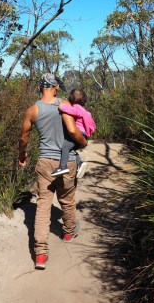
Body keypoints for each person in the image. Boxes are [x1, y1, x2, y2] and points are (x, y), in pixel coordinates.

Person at [19, 73, 88, 270]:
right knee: (67, 198)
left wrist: (22, 154)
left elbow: (23, 137)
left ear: (40, 87)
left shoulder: (33, 110)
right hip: (67, 161)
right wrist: (83, 142)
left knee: (42, 206)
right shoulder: (64, 104)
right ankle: (68, 232)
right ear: (56, 87)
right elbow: (73, 131)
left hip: (45, 162)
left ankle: (40, 255)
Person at [51, 88, 96, 179]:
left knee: (65, 147)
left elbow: (73, 111)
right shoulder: (85, 111)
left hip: (77, 134)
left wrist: (62, 107)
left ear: (71, 99)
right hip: (83, 135)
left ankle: (63, 167)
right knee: (71, 150)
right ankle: (80, 163)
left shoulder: (77, 107)